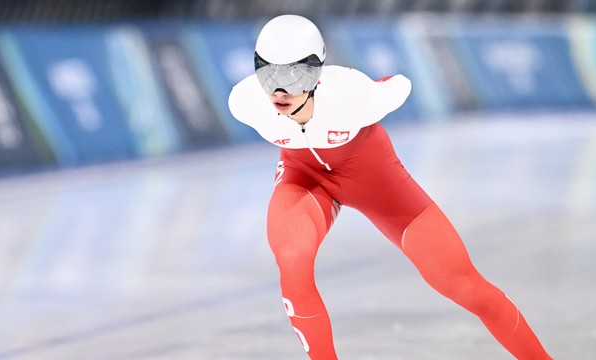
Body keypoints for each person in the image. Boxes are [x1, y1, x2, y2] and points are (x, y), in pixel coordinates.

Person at [228, 14, 552, 360]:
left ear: (317, 74)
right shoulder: (245, 102)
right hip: (304, 177)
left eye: (294, 75)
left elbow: (399, 85)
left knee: (464, 285)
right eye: (268, 73)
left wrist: (380, 86)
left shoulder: (353, 94)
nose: (279, 90)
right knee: (292, 262)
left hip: (374, 177)